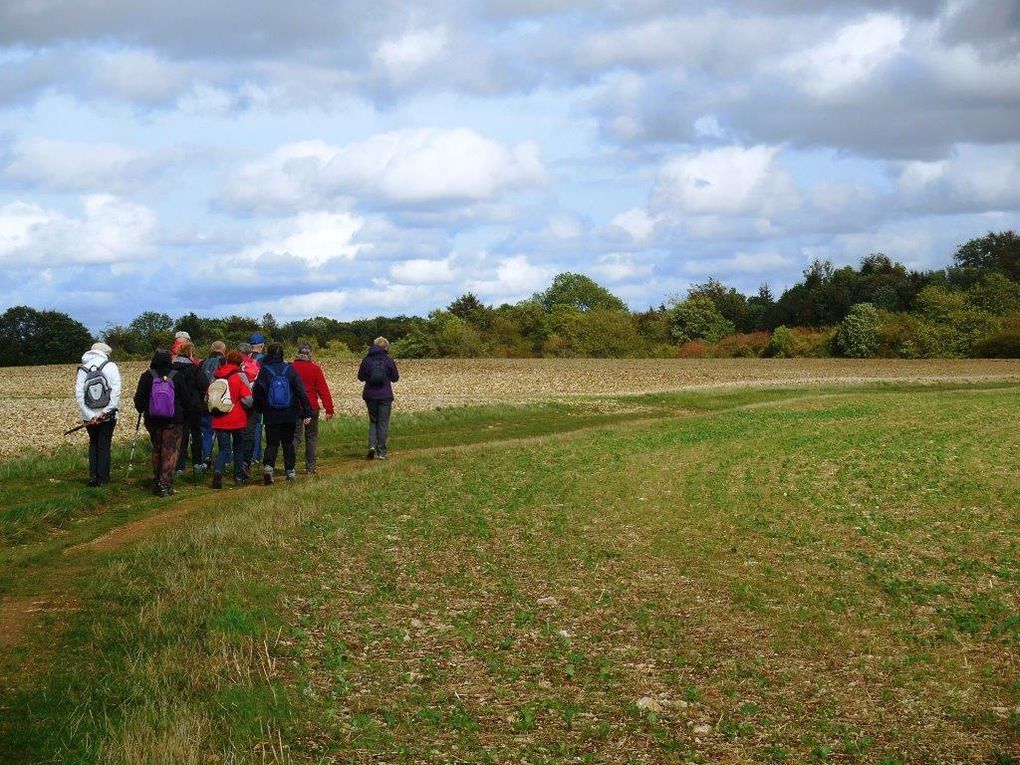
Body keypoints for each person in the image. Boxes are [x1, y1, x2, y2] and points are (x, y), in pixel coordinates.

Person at [133, 349, 201, 497]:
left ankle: (157, 481)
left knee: (157, 449)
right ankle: (165, 484)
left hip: (153, 419)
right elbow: (186, 398)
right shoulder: (175, 376)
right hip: (173, 419)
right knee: (169, 451)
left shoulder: (147, 376)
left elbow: (139, 399)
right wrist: (186, 414)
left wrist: (143, 409)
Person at [252, 343, 312, 484]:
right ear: (282, 354)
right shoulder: (290, 369)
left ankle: (268, 468)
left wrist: (260, 408)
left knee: (272, 442)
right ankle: (290, 471)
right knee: (288, 442)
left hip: (271, 413)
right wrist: (307, 411)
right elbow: (300, 391)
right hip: (289, 412)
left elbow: (257, 392)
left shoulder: (265, 370)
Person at [74, 341, 121, 487]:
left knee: (93, 444)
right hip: (107, 416)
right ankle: (103, 479)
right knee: (104, 445)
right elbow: (116, 391)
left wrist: (89, 415)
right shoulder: (110, 366)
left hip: (89, 417)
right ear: (105, 353)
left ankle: (93, 478)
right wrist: (105, 413)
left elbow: (79, 395)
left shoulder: (83, 369)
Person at [210, 350, 253, 488]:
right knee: (239, 448)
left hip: (219, 418)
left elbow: (209, 396)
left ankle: (217, 471)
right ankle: (238, 477)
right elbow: (248, 399)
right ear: (240, 362)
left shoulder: (217, 375)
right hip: (237, 418)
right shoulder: (239, 376)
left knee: (224, 449)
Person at [292, 343, 335, 474]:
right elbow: (323, 390)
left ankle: (290, 466)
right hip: (311, 407)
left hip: (295, 406)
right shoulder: (315, 369)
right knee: (311, 437)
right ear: (310, 354)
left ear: (298, 353)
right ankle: (310, 467)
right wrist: (329, 409)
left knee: (295, 436)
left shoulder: (291, 368)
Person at [357, 336, 399, 460]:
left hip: (370, 395)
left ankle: (371, 446)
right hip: (385, 395)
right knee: (383, 423)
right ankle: (382, 452)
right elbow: (395, 378)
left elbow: (360, 377)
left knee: (373, 421)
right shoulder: (388, 360)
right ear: (385, 347)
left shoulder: (366, 360)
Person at [172, 341, 206, 477]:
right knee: (196, 433)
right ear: (190, 353)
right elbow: (204, 383)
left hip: (177, 406)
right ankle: (197, 463)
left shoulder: (172, 368)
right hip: (193, 405)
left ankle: (179, 466)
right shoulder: (194, 368)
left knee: (181, 436)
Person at [198, 340, 227, 466]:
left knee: (206, 431)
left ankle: (207, 456)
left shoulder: (203, 362)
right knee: (223, 430)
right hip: (220, 400)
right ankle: (224, 459)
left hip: (205, 401)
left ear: (211, 349)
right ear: (224, 350)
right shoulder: (224, 362)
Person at [238, 341, 263, 471]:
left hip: (239, 402)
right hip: (253, 402)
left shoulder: (238, 365)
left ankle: (237, 460)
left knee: (238, 432)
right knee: (250, 432)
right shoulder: (256, 364)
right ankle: (246, 461)